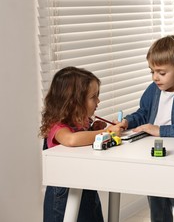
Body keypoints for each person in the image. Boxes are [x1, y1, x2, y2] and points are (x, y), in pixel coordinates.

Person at [120, 35, 174, 222]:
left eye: (161, 72)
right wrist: (127, 121)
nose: (155, 77)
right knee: (158, 209)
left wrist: (160, 130)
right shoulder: (153, 89)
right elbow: (143, 113)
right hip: (156, 157)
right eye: (152, 71)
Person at [39, 66, 123, 222]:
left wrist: (92, 129)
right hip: (64, 197)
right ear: (74, 102)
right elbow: (72, 140)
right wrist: (106, 133)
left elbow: (80, 140)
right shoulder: (57, 126)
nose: (98, 101)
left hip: (85, 187)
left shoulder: (81, 122)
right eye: (93, 97)